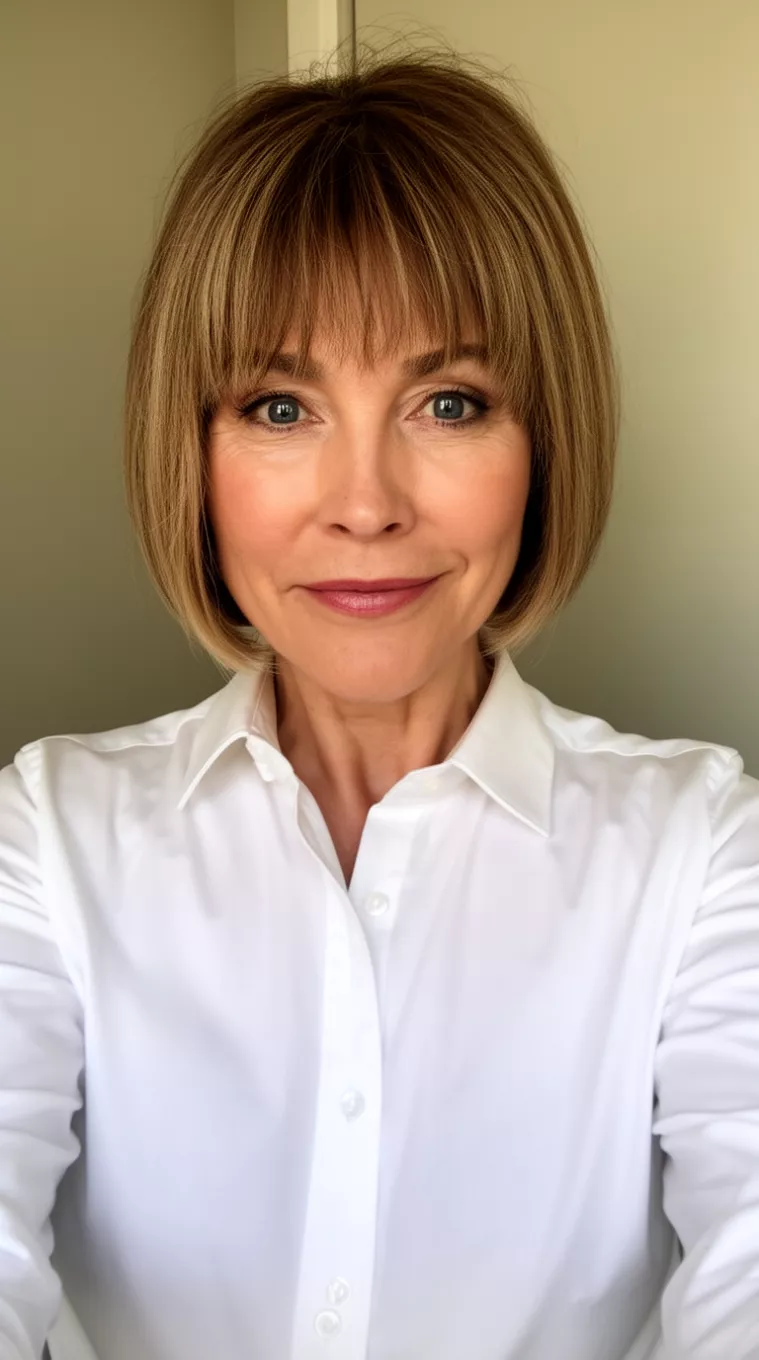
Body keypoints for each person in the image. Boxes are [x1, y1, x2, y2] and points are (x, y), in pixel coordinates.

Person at [1, 39, 759, 1360]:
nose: (364, 502)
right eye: (280, 405)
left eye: (447, 402)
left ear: (543, 443)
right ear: (190, 448)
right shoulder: (49, 837)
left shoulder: (699, 850)